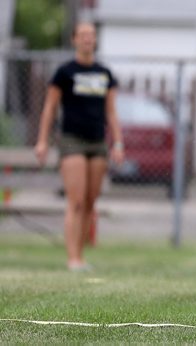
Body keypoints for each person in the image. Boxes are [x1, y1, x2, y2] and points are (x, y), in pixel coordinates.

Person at [34, 22, 124, 270]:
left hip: (98, 142)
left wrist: (117, 142)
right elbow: (50, 108)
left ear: (95, 40)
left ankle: (81, 256)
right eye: (82, 35)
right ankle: (72, 258)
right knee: (75, 201)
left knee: (89, 202)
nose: (87, 39)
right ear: (74, 40)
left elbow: (112, 112)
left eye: (91, 35)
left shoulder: (105, 73)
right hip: (72, 140)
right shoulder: (64, 72)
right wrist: (42, 141)